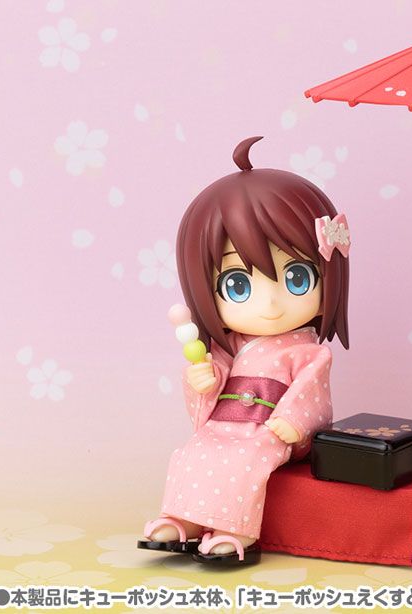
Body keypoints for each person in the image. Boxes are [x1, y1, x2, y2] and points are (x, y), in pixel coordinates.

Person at [138, 136, 350, 565]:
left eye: (296, 278)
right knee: (194, 452)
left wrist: (291, 422)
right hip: (225, 422)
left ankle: (236, 529)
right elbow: (213, 374)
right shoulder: (233, 345)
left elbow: (311, 394)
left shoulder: (309, 352)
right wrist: (204, 379)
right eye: (238, 284)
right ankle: (184, 518)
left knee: (246, 460)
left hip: (271, 428)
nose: (270, 304)